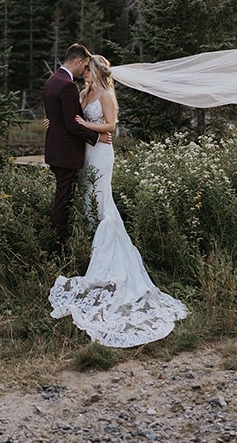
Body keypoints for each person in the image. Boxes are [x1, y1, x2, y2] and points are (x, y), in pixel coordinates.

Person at [48, 54, 188, 348]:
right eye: (84, 70)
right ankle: (90, 245)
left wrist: (91, 129)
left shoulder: (107, 94)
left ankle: (108, 255)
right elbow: (72, 119)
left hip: (101, 153)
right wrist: (58, 122)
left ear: (98, 71)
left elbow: (110, 126)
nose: (84, 74)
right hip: (86, 152)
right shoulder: (85, 94)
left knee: (101, 200)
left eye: (88, 71)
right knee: (87, 201)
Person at [43, 44, 109, 250]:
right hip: (66, 154)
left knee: (63, 198)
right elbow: (72, 123)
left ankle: (61, 239)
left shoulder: (52, 80)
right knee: (62, 201)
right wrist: (96, 138)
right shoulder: (68, 86)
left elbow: (57, 116)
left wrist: (52, 121)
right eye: (85, 66)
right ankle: (57, 245)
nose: (85, 71)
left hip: (55, 152)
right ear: (78, 61)